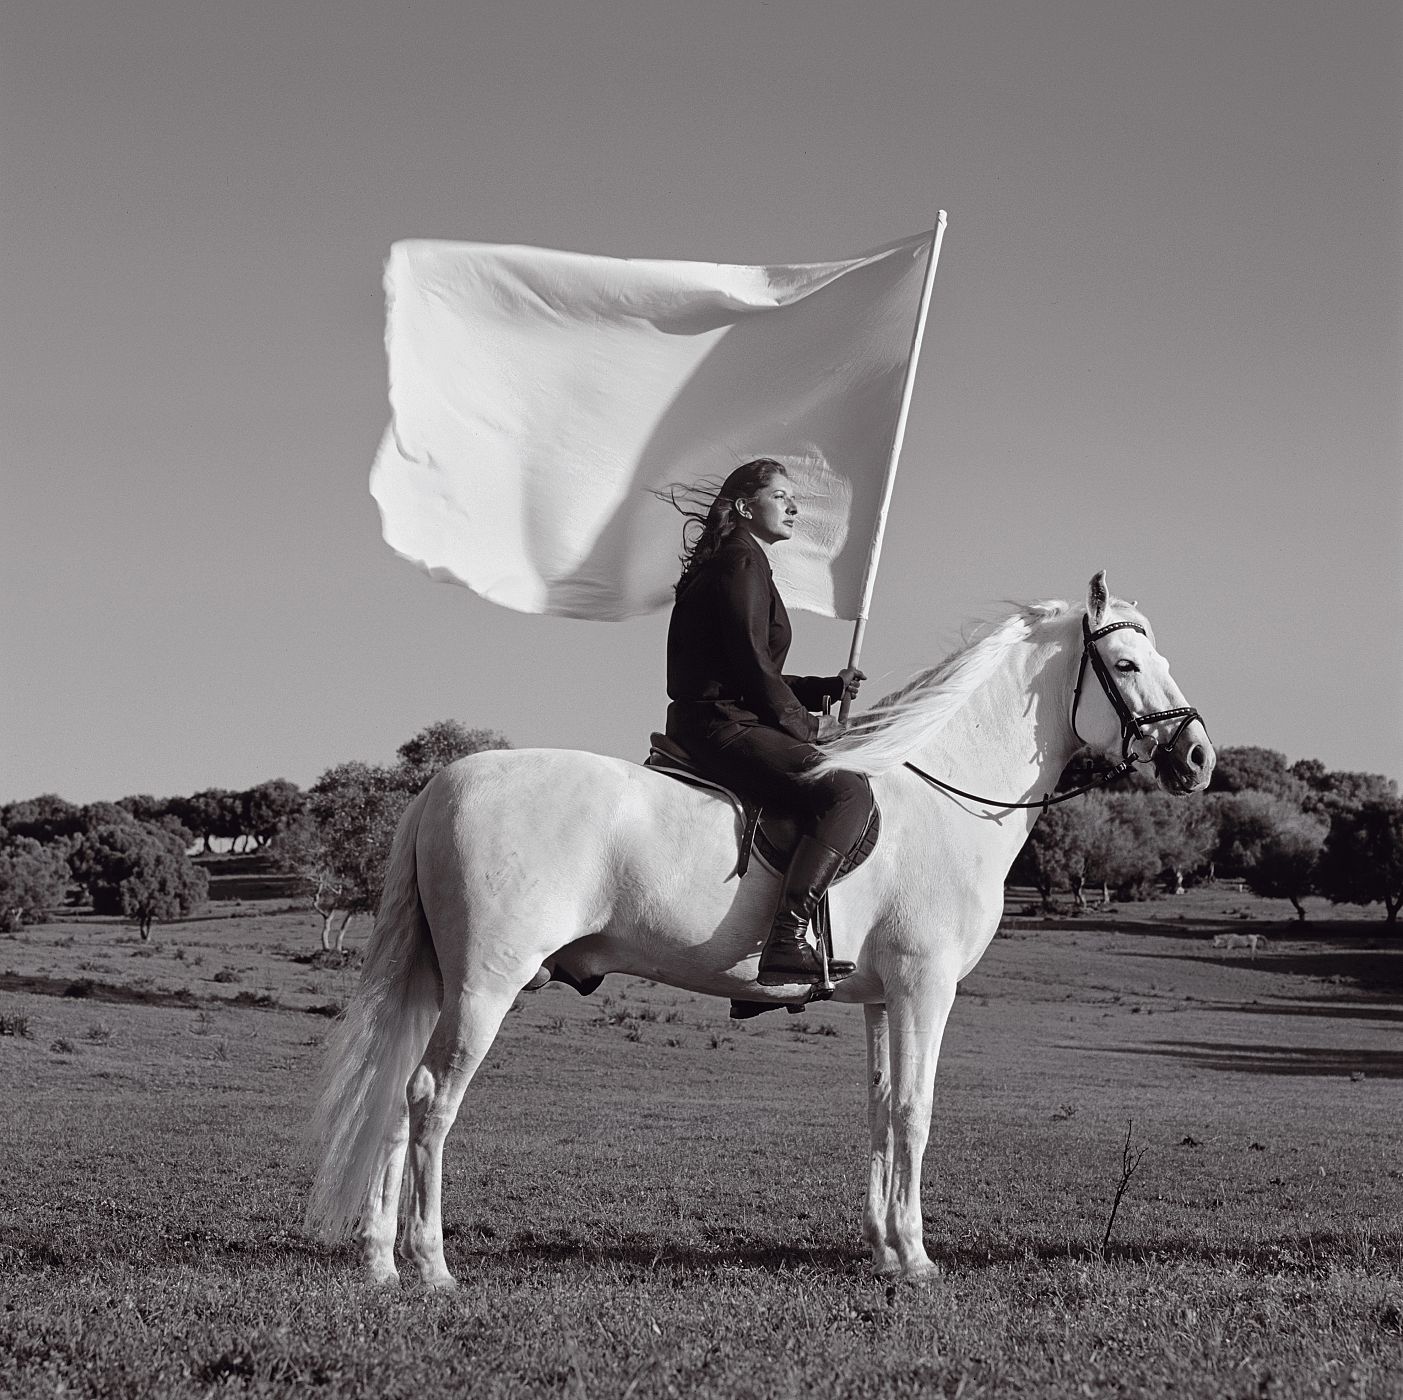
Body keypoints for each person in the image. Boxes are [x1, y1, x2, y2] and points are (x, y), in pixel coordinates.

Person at [663, 459, 870, 986]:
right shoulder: (741, 563)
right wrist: (808, 727)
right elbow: (753, 666)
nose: (794, 507)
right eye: (781, 497)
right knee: (847, 792)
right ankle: (787, 938)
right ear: (743, 507)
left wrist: (821, 690)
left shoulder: (740, 561)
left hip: (719, 715)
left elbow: (746, 666)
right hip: (722, 725)